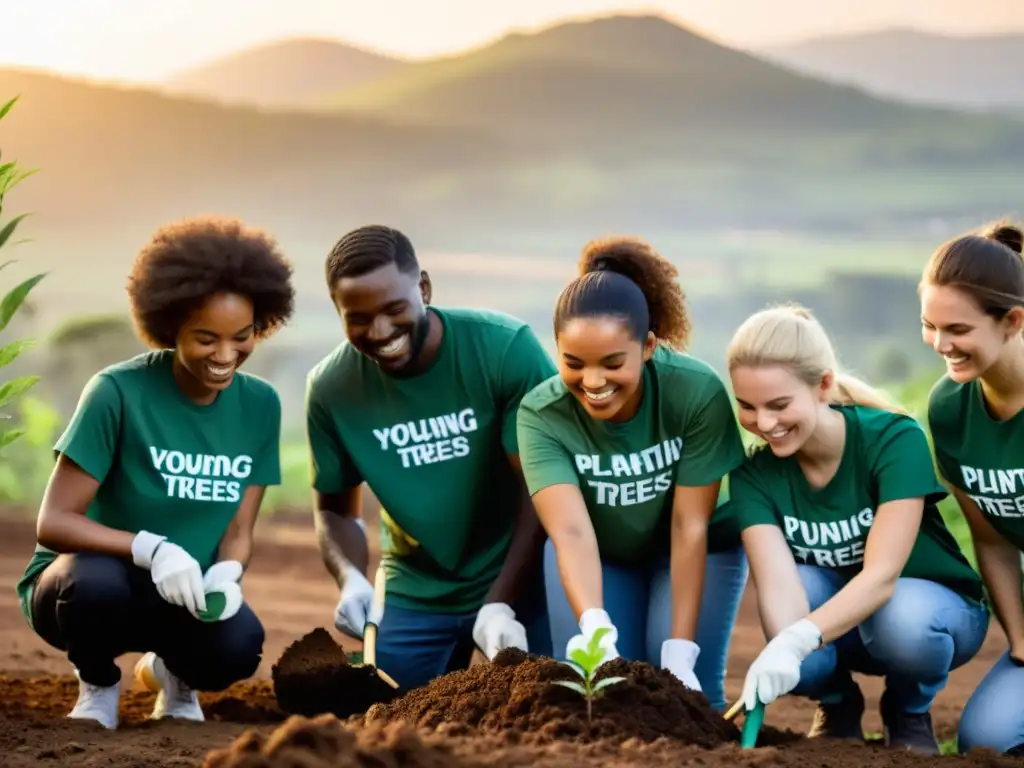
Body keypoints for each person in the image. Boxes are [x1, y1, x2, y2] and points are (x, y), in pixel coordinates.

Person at [14, 216, 295, 730]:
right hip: (89, 580)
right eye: (206, 338)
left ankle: (175, 675)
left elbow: (237, 532)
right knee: (94, 590)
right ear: (170, 328)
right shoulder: (117, 392)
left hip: (183, 593)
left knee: (238, 646)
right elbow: (54, 523)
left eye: (243, 336)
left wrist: (228, 572)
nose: (226, 356)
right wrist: (152, 548)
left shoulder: (261, 406)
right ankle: (98, 682)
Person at [725, 304, 988, 754]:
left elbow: (882, 576)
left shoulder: (892, 439)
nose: (764, 424)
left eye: (779, 404)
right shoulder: (754, 474)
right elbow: (778, 585)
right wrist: (786, 648)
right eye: (747, 406)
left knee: (901, 617)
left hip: (928, 613)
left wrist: (798, 638)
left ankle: (908, 709)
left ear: (823, 385)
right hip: (841, 626)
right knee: (793, 623)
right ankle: (836, 702)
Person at [305, 224, 556, 692]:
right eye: (358, 318)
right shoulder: (331, 389)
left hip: (524, 573)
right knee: (382, 705)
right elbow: (335, 513)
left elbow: (542, 491)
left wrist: (500, 601)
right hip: (417, 585)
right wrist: (351, 579)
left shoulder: (504, 350)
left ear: (423, 287)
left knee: (552, 695)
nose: (379, 332)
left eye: (394, 309)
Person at [514, 236, 749, 713]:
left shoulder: (694, 392)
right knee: (600, 693)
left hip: (687, 550)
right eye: (573, 364)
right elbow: (571, 531)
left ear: (647, 347)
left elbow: (690, 525)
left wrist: (681, 649)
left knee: (686, 695)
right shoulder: (541, 414)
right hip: (601, 556)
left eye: (612, 363)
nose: (594, 382)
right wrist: (595, 624)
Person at [921, 221, 1024, 756]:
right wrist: (1022, 639)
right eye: (930, 326)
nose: (941, 345)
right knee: (986, 739)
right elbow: (993, 540)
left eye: (957, 329)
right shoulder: (949, 408)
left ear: (1012, 321)